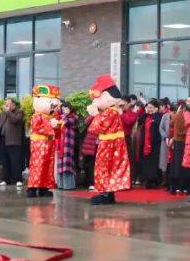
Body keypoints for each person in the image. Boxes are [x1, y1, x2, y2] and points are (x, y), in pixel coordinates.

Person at [86, 75, 131, 205]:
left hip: (109, 146)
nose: (95, 101)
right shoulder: (112, 111)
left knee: (104, 167)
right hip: (112, 145)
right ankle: (109, 194)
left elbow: (96, 128)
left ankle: (105, 194)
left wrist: (95, 114)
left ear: (105, 96)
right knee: (110, 168)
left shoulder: (109, 112)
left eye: (96, 98)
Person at [27, 85, 60, 198]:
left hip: (50, 143)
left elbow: (56, 132)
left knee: (48, 165)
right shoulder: (37, 116)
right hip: (39, 144)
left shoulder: (52, 116)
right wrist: (50, 126)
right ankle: (32, 188)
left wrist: (58, 126)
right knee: (38, 164)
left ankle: (44, 187)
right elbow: (37, 128)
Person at [0, 98, 26, 187]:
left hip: (14, 141)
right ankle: (6, 179)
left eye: (8, 104)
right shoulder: (5, 113)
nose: (6, 105)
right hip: (3, 139)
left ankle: (18, 179)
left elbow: (14, 120)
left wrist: (8, 112)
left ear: (13, 104)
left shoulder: (19, 112)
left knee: (15, 161)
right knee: (5, 161)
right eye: (6, 104)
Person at [134, 101, 163, 189]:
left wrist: (154, 114)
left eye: (151, 107)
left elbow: (158, 124)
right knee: (146, 163)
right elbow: (139, 120)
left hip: (155, 144)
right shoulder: (145, 116)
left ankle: (155, 181)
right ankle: (147, 181)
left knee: (154, 163)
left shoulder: (159, 116)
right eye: (148, 107)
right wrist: (144, 111)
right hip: (145, 143)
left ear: (156, 108)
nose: (149, 109)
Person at [167, 100, 189, 195]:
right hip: (185, 142)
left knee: (176, 165)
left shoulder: (176, 116)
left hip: (177, 142)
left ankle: (176, 187)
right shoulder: (188, 116)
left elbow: (170, 124)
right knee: (185, 164)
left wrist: (177, 113)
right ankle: (185, 187)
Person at [55, 103, 78, 190]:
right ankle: (60, 185)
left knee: (67, 164)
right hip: (60, 144)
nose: (65, 110)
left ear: (70, 109)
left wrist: (62, 117)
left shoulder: (73, 117)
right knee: (60, 164)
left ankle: (69, 185)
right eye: (63, 109)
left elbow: (67, 122)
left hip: (68, 144)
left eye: (67, 108)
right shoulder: (61, 117)